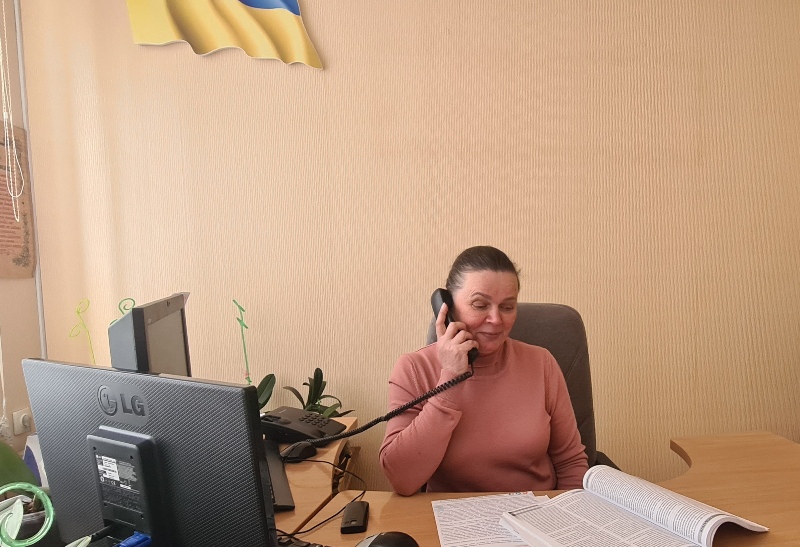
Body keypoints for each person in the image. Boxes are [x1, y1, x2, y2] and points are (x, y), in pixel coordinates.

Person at [379, 246, 588, 495]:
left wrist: (566, 513)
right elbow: (402, 480)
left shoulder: (542, 363)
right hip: (452, 512)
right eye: (480, 305)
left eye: (507, 307)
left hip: (536, 510)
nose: (496, 320)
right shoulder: (414, 369)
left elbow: (571, 463)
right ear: (447, 308)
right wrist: (450, 379)